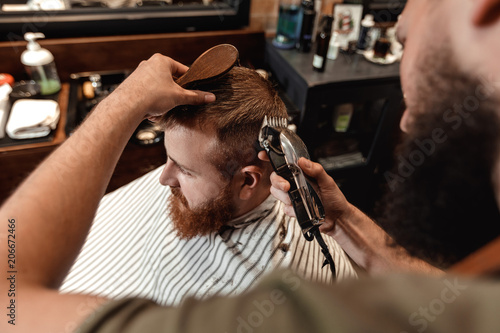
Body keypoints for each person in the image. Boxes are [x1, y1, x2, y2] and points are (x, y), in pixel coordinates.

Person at [1, 0, 500, 331]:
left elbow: (9, 292)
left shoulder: (283, 309)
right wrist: (344, 218)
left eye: (407, 42)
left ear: (248, 181)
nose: (408, 121)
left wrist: (123, 102)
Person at [57, 66, 356, 306]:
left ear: (247, 181)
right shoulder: (196, 183)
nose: (163, 178)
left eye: (185, 171)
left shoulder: (283, 289)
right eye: (168, 159)